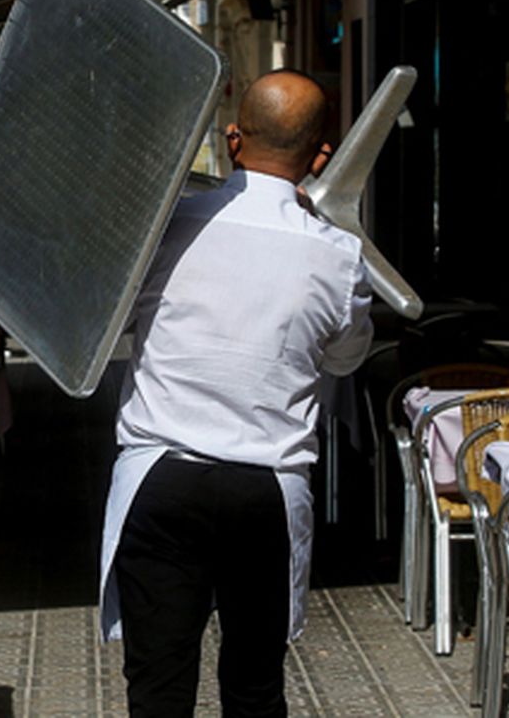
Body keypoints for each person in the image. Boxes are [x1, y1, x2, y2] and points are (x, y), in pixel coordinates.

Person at [99, 69, 373, 718]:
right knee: (254, 688)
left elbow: (108, 332)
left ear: (231, 139)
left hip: (160, 477)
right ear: (320, 157)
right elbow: (346, 355)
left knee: (158, 690)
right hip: (267, 488)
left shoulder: (165, 228)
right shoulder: (337, 256)